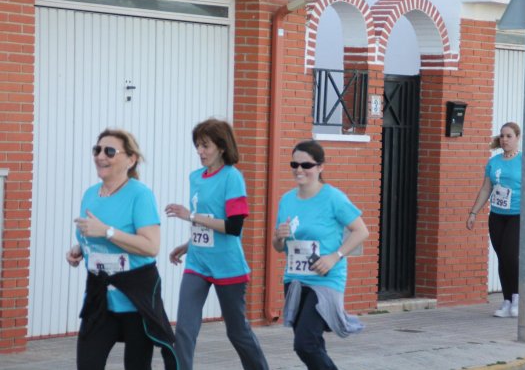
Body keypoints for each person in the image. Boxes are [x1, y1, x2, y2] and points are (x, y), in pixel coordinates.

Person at [65, 128, 177, 370]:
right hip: (100, 297)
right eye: (97, 150)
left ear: (131, 159)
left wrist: (107, 231)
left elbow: (151, 246)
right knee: (87, 364)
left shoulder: (140, 195)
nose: (100, 156)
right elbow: (94, 239)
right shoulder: (90, 195)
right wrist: (79, 249)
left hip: (135, 299)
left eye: (110, 151)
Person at [165, 118, 269, 370]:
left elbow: (233, 227)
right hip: (198, 264)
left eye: (205, 146)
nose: (200, 152)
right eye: (197, 146)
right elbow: (207, 222)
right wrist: (188, 244)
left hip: (228, 266)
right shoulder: (195, 177)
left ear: (221, 147)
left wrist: (189, 215)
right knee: (185, 330)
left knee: (237, 333)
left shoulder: (232, 178)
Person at [273, 140, 369, 370]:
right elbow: (278, 247)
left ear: (320, 167)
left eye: (306, 165)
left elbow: (361, 231)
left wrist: (334, 256)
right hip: (295, 280)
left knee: (305, 344)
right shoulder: (286, 200)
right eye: (294, 164)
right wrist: (279, 236)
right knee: (312, 343)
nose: (299, 170)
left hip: (325, 280)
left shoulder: (333, 197)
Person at [466, 122, 525, 318]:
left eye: (509, 136)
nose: (504, 139)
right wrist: (474, 212)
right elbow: (486, 189)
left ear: (517, 138)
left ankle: (518, 297)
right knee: (502, 258)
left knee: (509, 255)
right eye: (502, 136)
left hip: (518, 215)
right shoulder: (494, 161)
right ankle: (507, 300)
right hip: (497, 216)